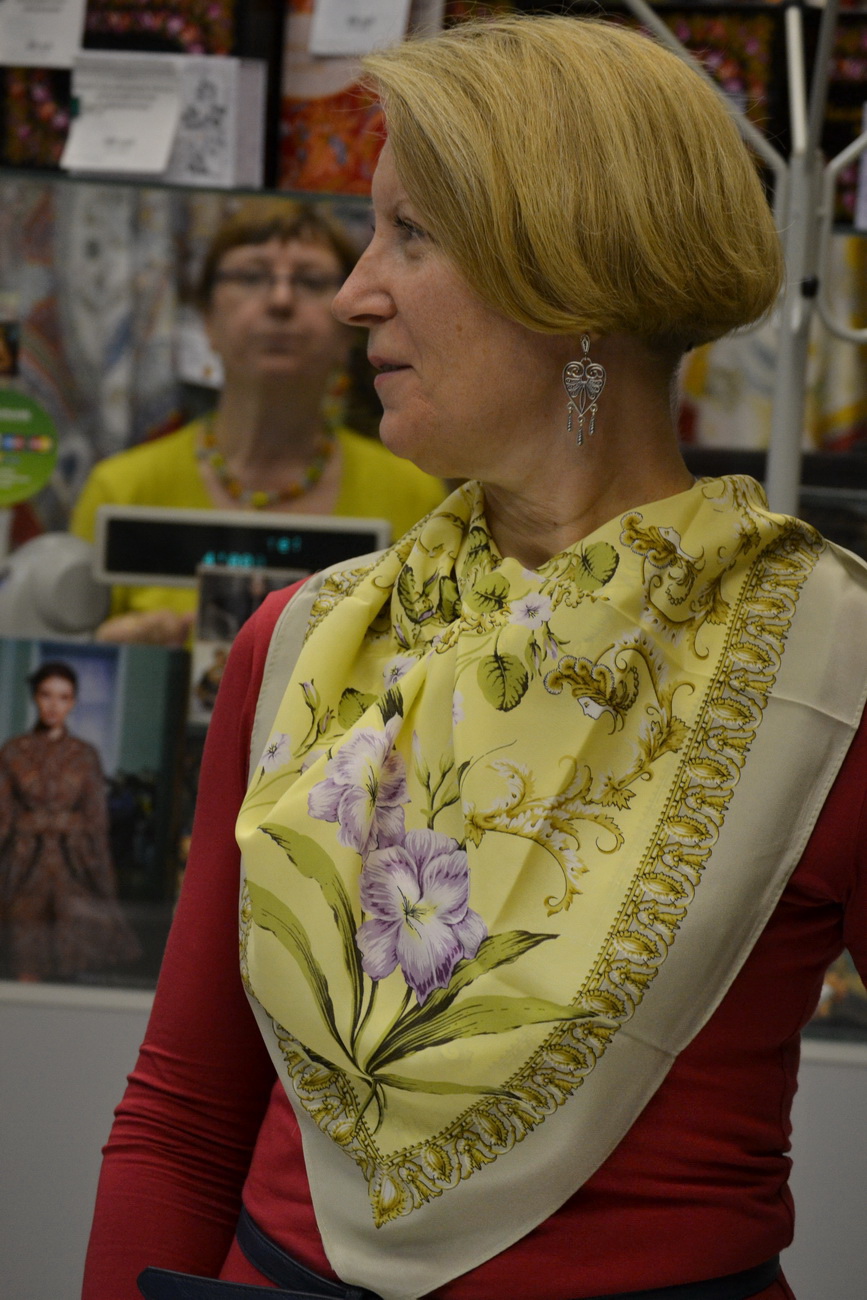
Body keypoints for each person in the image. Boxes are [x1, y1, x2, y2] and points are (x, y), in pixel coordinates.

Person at [82, 17, 867, 1300]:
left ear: (573, 274)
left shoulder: (829, 661)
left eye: (412, 233)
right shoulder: (304, 642)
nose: (354, 293)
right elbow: (182, 1116)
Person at [71, 199, 445, 646]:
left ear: (350, 324)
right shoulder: (121, 489)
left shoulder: (413, 493)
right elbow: (63, 662)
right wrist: (116, 656)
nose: (281, 300)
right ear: (206, 318)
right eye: (251, 277)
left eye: (310, 281)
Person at [0, 660, 139, 981]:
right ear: (35, 697)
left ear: (73, 702)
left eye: (63, 697)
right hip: (24, 863)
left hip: (75, 864)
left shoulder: (84, 754)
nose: (54, 705)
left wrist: (104, 879)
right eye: (46, 695)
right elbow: (3, 814)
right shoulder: (13, 751)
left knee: (71, 956)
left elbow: (96, 820)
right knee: (25, 954)